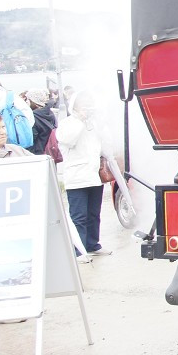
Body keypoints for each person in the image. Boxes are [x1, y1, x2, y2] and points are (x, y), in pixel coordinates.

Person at [57, 91, 112, 257]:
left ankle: (93, 244)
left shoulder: (94, 123)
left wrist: (102, 123)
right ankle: (78, 250)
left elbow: (106, 145)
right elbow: (67, 139)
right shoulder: (68, 123)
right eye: (83, 104)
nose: (87, 108)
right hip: (77, 178)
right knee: (79, 216)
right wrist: (80, 120)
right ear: (74, 106)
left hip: (94, 176)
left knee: (94, 214)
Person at [26, 89, 59, 157]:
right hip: (50, 152)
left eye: (28, 100)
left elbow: (31, 139)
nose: (26, 102)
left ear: (34, 102)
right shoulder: (50, 113)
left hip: (37, 154)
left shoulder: (33, 117)